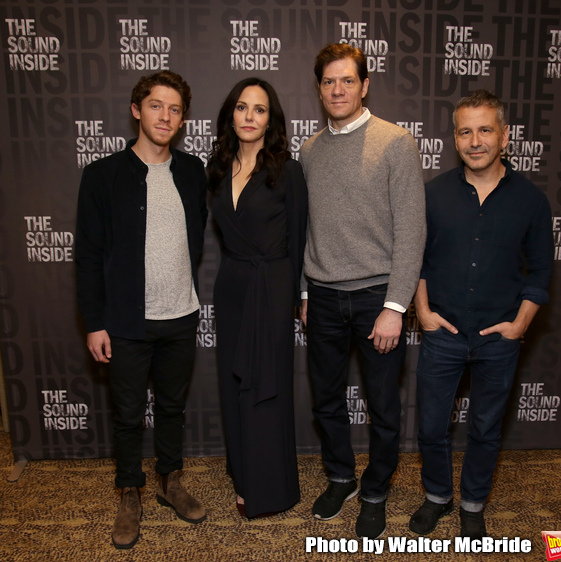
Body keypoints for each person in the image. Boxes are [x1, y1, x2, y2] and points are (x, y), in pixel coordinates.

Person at [408, 90, 553, 539]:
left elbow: (542, 269)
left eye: (485, 129)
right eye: (466, 131)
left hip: (498, 338)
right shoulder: (431, 194)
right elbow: (415, 259)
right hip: (442, 333)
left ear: (504, 136)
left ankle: (472, 503)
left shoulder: (531, 200)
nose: (476, 140)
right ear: (455, 139)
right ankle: (437, 497)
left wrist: (520, 325)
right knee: (431, 427)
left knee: (487, 429)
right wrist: (424, 313)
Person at [75, 70, 208, 549]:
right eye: (156, 106)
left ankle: (170, 480)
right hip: (127, 321)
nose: (165, 116)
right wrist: (95, 324)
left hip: (180, 314)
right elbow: (88, 257)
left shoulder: (193, 172)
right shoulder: (103, 175)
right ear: (137, 110)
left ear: (183, 118)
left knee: (172, 407)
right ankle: (130, 490)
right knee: (129, 413)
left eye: (174, 109)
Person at [299, 43, 426, 539]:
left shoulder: (396, 142)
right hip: (324, 297)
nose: (337, 89)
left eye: (347, 80)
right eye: (329, 81)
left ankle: (375, 490)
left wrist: (396, 307)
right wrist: (307, 292)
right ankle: (340, 477)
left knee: (383, 406)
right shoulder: (309, 150)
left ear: (365, 84)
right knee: (326, 399)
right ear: (319, 88)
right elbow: (307, 229)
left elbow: (412, 231)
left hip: (378, 297)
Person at [206, 77, 308, 519]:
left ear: (272, 118)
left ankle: (271, 488)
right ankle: (244, 475)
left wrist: (302, 294)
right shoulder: (216, 166)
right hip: (231, 285)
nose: (250, 116)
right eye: (243, 107)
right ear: (232, 113)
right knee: (233, 383)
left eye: (260, 109)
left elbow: (301, 238)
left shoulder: (287, 170)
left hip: (272, 284)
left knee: (266, 385)